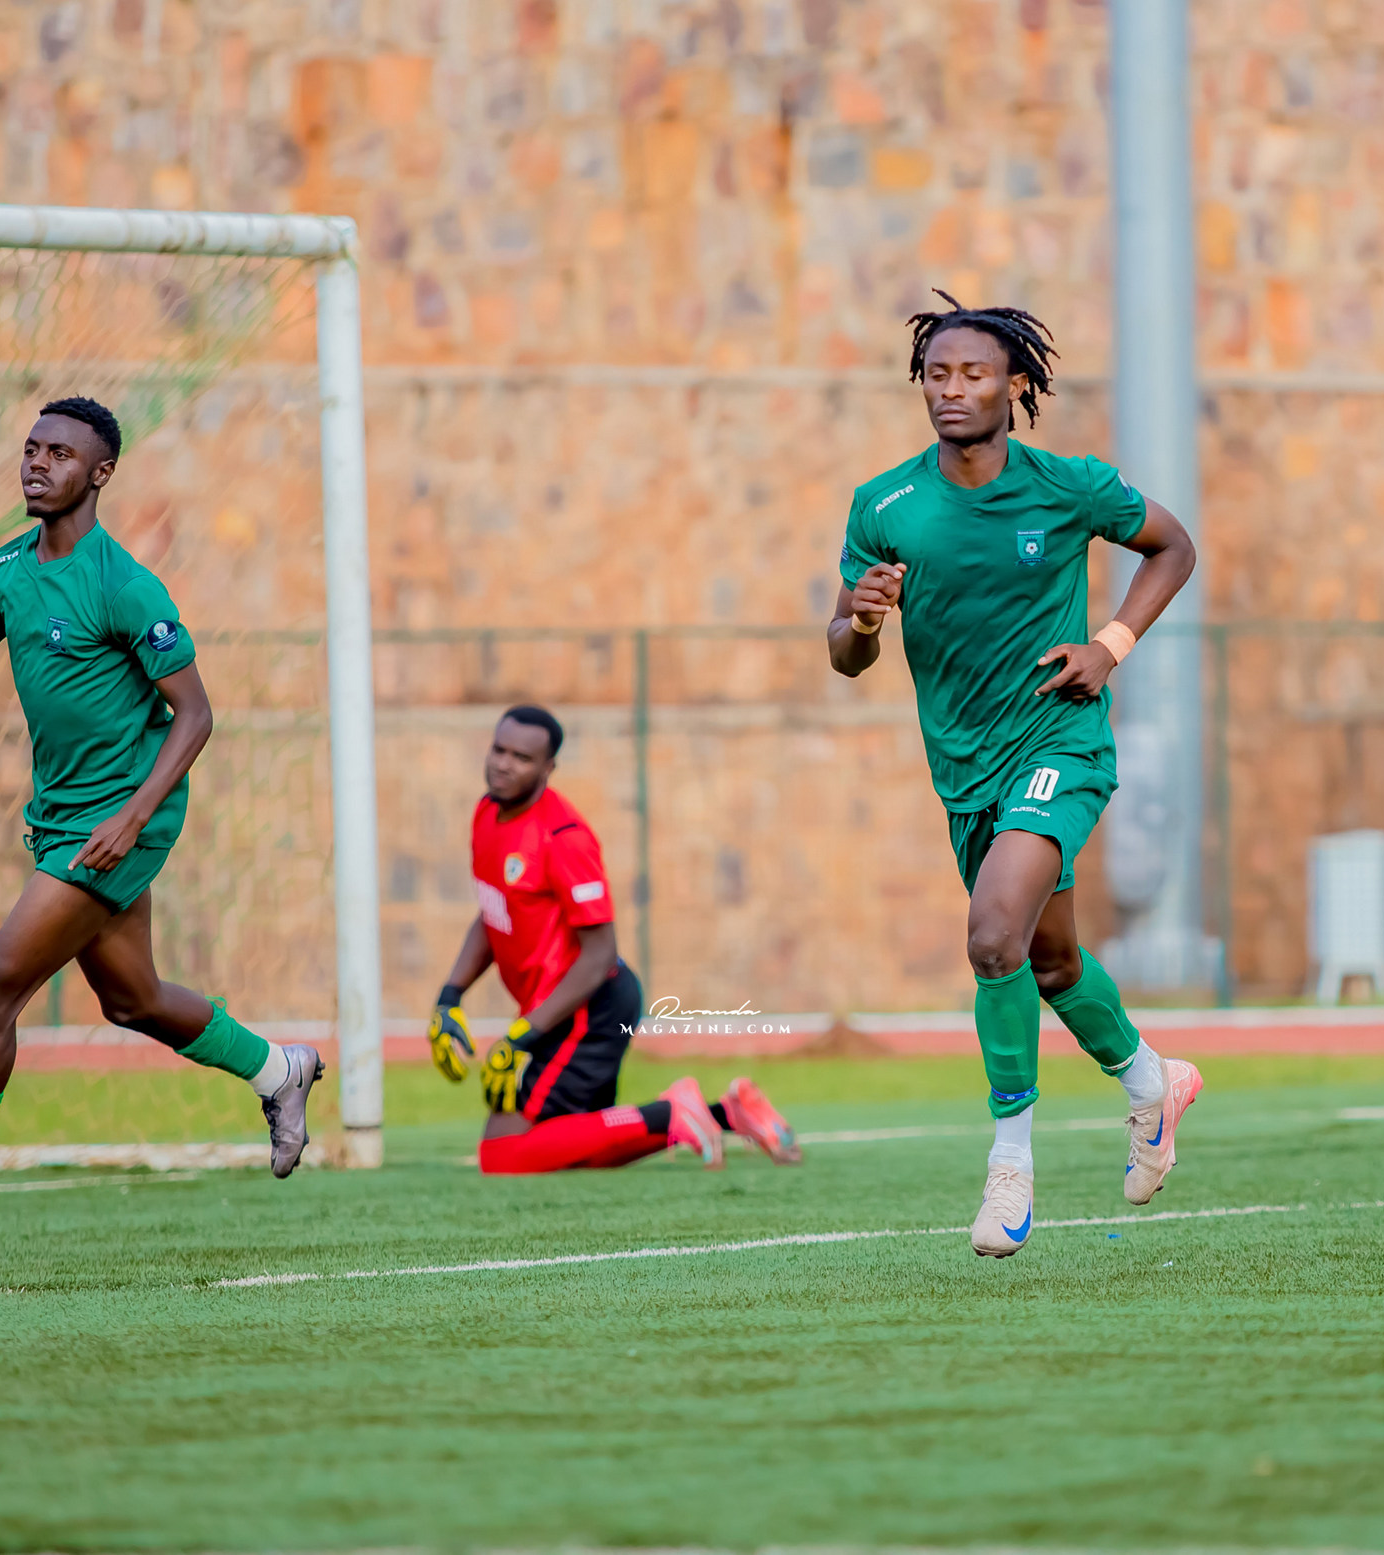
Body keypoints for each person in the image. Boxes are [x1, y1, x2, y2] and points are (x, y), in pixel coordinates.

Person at [0, 397, 322, 1255]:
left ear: (100, 473)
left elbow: (196, 714)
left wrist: (132, 816)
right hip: (62, 817)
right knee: (132, 999)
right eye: (31, 448)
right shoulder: (1, 572)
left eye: (59, 453)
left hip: (123, 816)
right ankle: (281, 1069)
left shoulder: (124, 585)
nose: (37, 462)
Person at [828, 293, 1203, 1258]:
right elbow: (846, 654)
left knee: (993, 935)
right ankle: (1153, 1083)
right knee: (1051, 961)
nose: (951, 390)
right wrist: (861, 618)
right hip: (966, 770)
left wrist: (1110, 646)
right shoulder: (885, 505)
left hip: (1060, 743)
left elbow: (1174, 547)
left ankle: (1010, 1164)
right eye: (937, 374)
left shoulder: (1068, 486)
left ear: (1015, 385)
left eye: (974, 374)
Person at [427, 705, 802, 1173]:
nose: (504, 764)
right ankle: (728, 1113)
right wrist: (450, 996)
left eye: (522, 758)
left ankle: (671, 1112)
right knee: (575, 1146)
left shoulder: (563, 837)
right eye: (499, 750)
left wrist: (524, 1034)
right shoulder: (487, 814)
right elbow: (493, 912)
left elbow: (600, 953)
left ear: (548, 768)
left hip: (589, 1007)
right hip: (553, 1008)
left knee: (503, 1155)